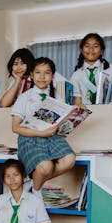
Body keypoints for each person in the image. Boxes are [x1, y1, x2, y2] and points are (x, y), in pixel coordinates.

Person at [11, 57, 76, 197]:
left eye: (47, 73)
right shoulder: (24, 97)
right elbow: (15, 128)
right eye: (38, 72)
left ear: (52, 76)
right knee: (46, 166)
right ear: (32, 75)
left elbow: (60, 123)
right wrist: (41, 134)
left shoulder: (57, 97)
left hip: (52, 137)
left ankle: (33, 183)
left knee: (69, 160)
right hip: (30, 139)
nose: (42, 77)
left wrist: (73, 118)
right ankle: (37, 191)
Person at [70, 33, 112, 106]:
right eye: (87, 46)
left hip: (109, 113)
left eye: (95, 46)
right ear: (81, 50)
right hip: (88, 115)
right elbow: (77, 102)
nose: (91, 49)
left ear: (101, 50)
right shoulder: (76, 75)